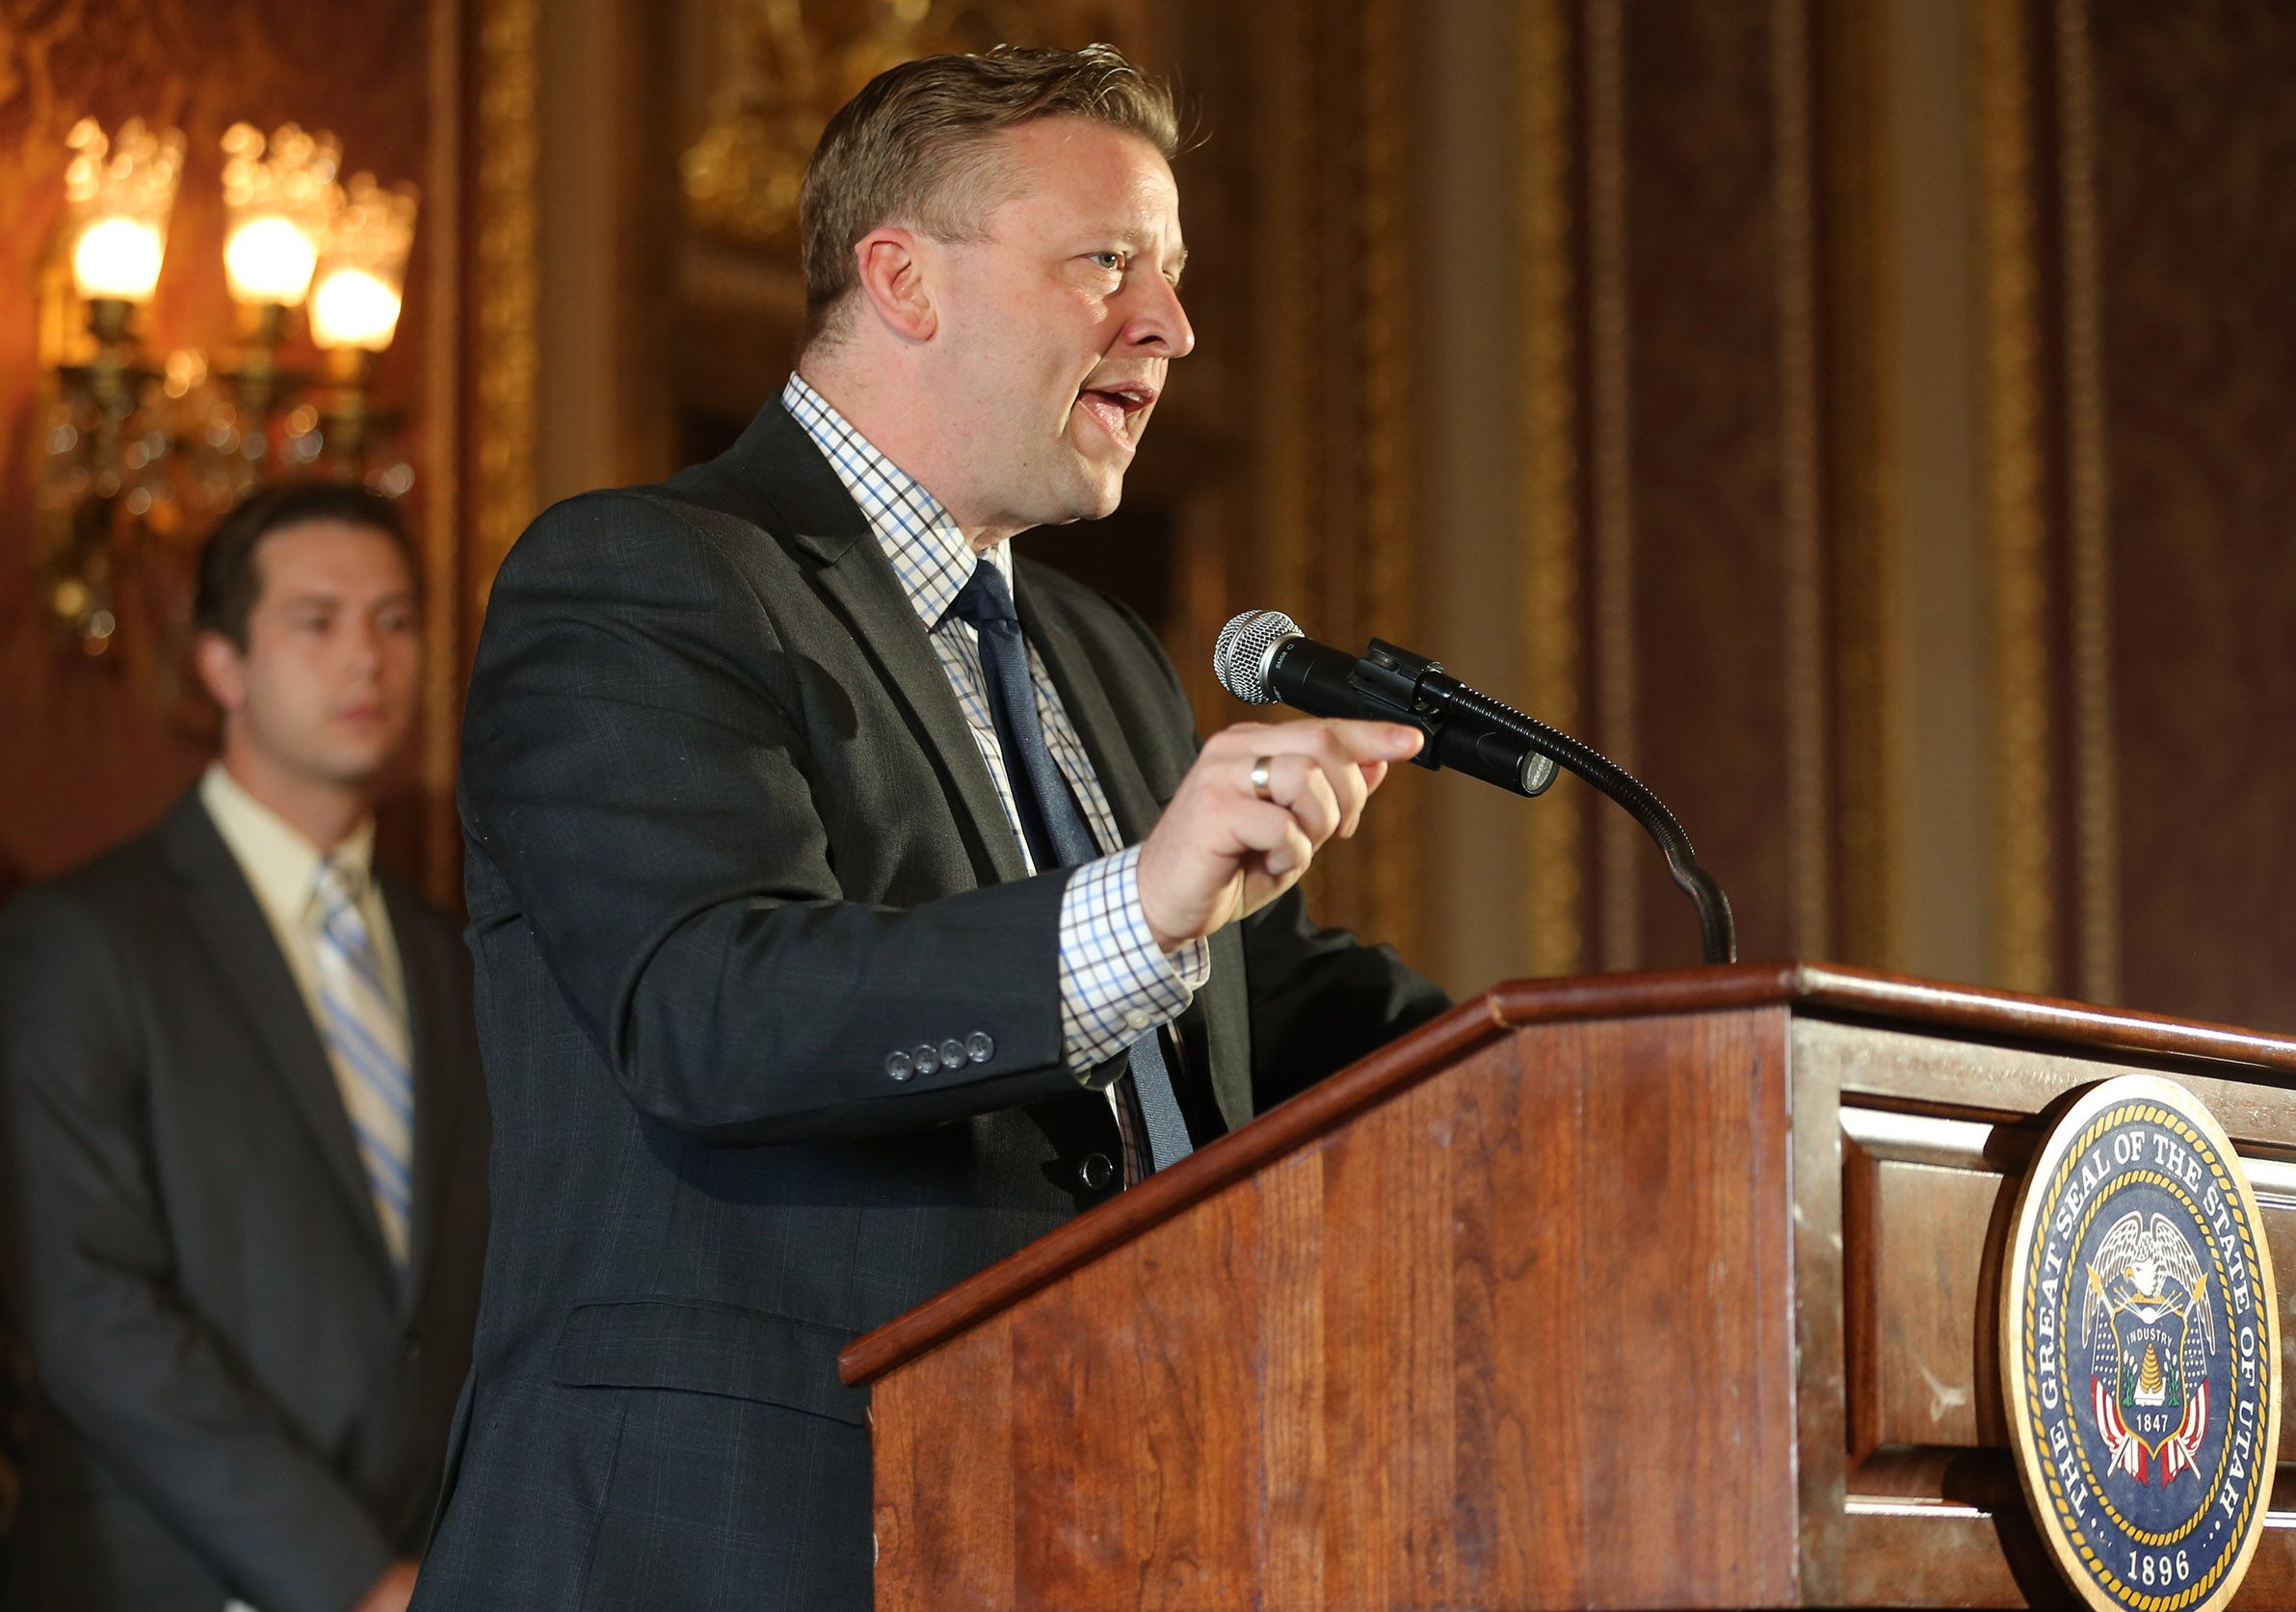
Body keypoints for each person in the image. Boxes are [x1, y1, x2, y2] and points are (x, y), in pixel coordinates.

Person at [412, 44, 1449, 1611]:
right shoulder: (643, 579)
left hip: (1095, 1519)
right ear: (902, 279)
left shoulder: (1100, 654)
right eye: (1109, 263)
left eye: (1169, 273)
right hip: (739, 1537)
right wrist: (1143, 909)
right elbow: (712, 1007)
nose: (1170, 325)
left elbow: (1258, 1013)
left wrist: (1616, 1084)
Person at [0, 483, 491, 1612]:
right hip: (164, 1577)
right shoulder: (77, 941)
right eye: (317, 622)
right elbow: (89, 1312)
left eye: (397, 620)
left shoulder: (458, 960)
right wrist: (354, 1575)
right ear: (221, 664)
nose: (367, 658)